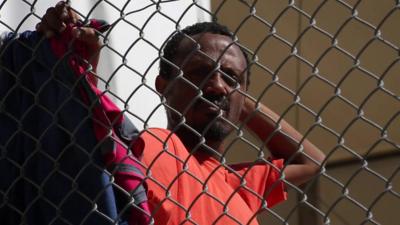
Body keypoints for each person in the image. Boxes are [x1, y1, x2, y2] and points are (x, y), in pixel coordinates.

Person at [32, 2, 325, 224]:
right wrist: (82, 59)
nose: (217, 86)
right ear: (164, 85)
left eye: (231, 78)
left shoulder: (237, 185)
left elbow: (311, 161)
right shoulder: (155, 146)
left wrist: (233, 96)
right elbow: (89, 143)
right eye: (200, 73)